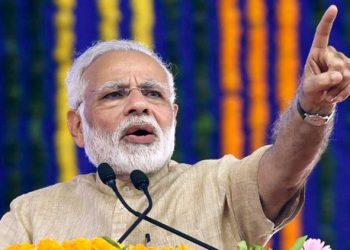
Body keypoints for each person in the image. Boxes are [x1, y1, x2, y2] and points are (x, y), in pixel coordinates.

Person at [0, 5, 348, 249]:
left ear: (174, 116)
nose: (139, 105)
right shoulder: (31, 216)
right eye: (115, 94)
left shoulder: (220, 185)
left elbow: (285, 170)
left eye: (153, 93)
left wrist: (312, 108)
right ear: (77, 126)